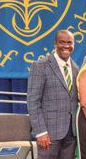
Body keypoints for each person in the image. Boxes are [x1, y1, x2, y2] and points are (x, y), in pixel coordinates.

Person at [27, 30, 79, 159]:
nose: (66, 46)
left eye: (69, 43)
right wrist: (40, 132)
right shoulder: (40, 66)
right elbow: (33, 102)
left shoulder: (76, 68)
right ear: (55, 44)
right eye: (62, 42)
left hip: (71, 134)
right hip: (49, 134)